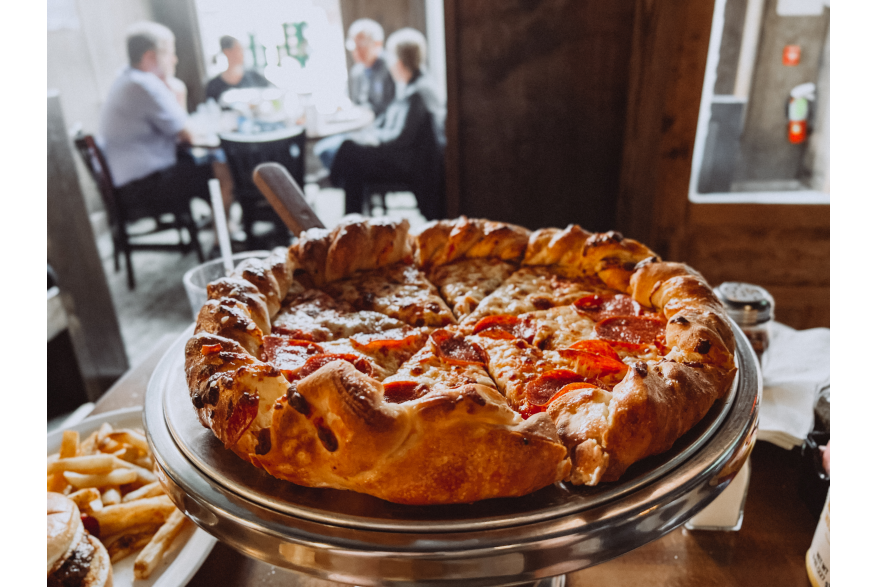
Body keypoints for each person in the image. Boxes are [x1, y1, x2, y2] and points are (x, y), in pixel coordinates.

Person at [99, 22, 213, 220]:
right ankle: (222, 235)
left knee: (197, 163)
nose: (175, 60)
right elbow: (188, 136)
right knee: (218, 168)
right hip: (141, 189)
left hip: (129, 185)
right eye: (170, 53)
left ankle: (217, 224)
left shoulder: (127, 78)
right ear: (150, 56)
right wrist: (179, 92)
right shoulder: (144, 85)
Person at [329, 28, 446, 220]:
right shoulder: (411, 84)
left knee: (350, 150)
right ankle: (351, 217)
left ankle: (350, 216)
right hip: (404, 156)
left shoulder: (418, 92)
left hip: (410, 164)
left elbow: (401, 138)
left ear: (399, 62)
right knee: (351, 152)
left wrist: (373, 139)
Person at [347, 19, 396, 118]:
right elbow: (356, 103)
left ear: (377, 44)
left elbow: (391, 108)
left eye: (361, 45)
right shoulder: (356, 72)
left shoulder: (391, 69)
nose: (356, 51)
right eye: (353, 45)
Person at [205, 36, 272, 104]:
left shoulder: (254, 76)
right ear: (227, 52)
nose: (243, 54)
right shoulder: (214, 86)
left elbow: (271, 93)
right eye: (239, 50)